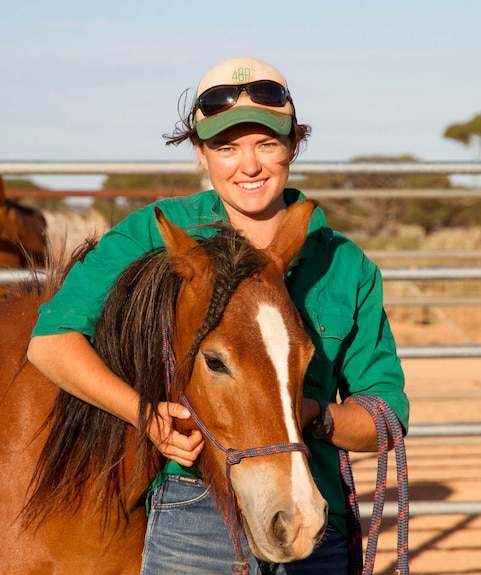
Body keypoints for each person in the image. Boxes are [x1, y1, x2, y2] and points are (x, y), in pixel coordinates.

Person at [27, 56, 409, 574]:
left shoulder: (344, 265)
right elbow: (51, 342)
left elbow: (384, 421)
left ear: (293, 145)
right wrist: (146, 413)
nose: (248, 166)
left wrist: (311, 415)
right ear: (201, 155)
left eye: (267, 144)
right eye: (226, 148)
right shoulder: (148, 236)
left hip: (310, 507)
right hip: (195, 514)